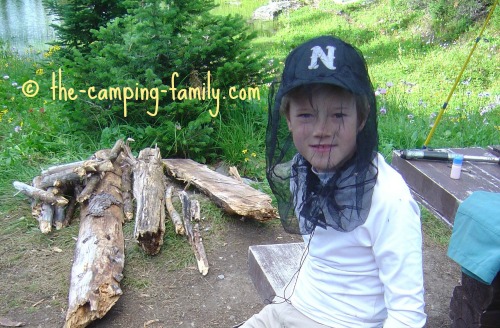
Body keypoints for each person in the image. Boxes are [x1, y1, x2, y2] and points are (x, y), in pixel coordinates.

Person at [239, 36, 426, 327]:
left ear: (361, 118)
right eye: (306, 115)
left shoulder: (390, 199)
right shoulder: (303, 170)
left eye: (338, 114)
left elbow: (408, 314)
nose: (321, 131)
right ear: (287, 118)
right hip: (290, 309)